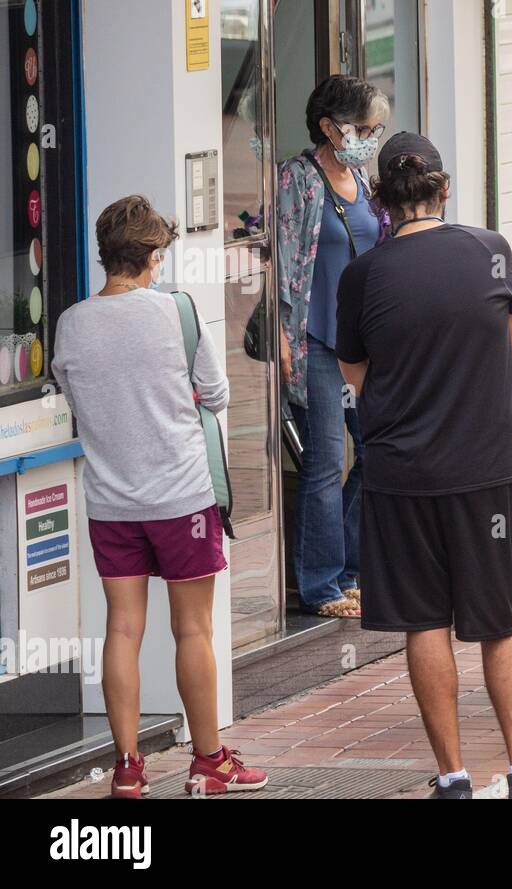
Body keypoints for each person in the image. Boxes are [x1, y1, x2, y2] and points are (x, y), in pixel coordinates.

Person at [335, 132, 512, 799]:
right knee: (499, 622)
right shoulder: (488, 252)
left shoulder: (363, 275)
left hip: (401, 474)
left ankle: (453, 777)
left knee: (424, 622)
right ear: (443, 189)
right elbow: (509, 342)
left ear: (382, 201)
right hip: (485, 469)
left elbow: (358, 375)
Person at [51, 196, 267, 797]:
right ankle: (210, 762)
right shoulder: (176, 311)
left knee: (123, 628)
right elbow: (216, 396)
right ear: (150, 255)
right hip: (180, 498)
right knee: (192, 629)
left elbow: (74, 397)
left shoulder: (71, 322)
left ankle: (127, 770)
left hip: (111, 503)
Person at [276, 75, 389, 619]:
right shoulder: (299, 180)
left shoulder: (363, 179)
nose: (371, 137)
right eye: (363, 128)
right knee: (323, 463)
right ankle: (320, 586)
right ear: (329, 126)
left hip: (366, 343)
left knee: (379, 453)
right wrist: (280, 330)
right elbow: (281, 261)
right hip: (318, 338)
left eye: (376, 129)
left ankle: (350, 570)